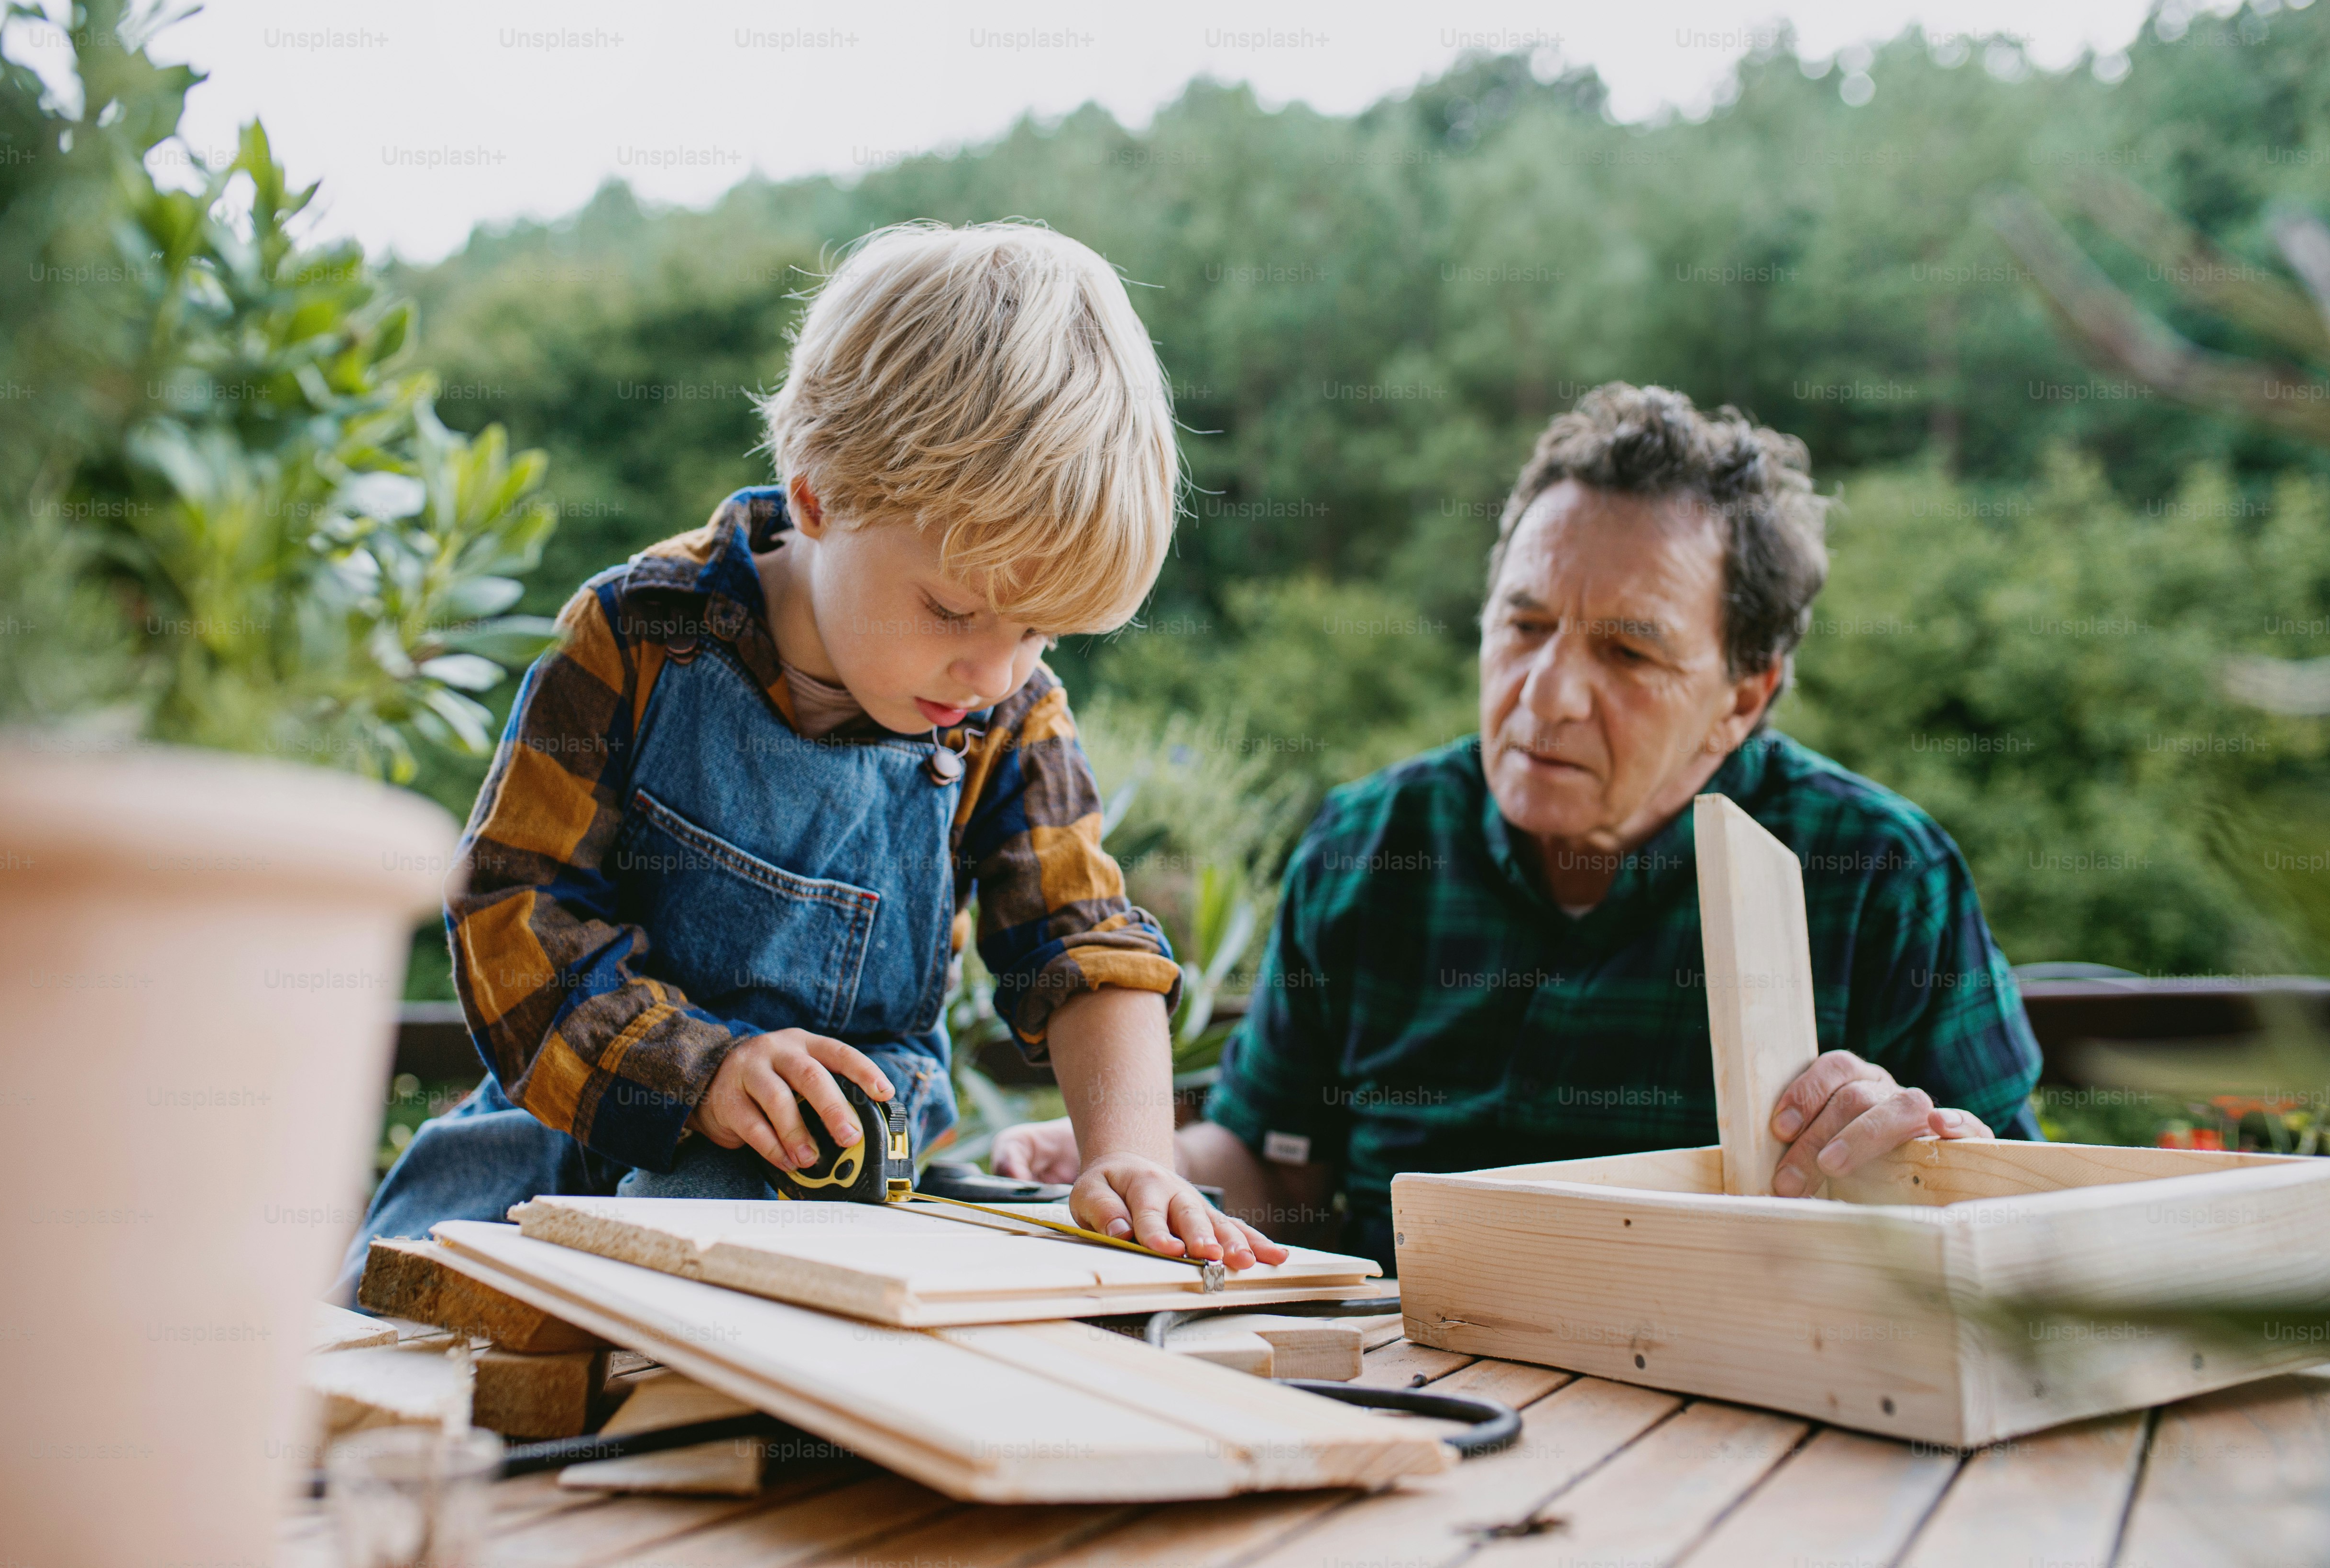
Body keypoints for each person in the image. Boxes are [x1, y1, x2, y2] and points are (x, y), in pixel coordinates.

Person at [337, 221, 1281, 1303]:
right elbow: (514, 903)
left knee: (703, 1341)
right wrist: (705, 1068)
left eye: (1038, 636)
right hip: (563, 1122)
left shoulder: (1007, 713)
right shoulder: (635, 634)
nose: (991, 669)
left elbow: (1082, 942)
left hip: (831, 1172)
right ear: (819, 495)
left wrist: (1131, 1155)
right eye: (954, 610)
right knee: (383, 1317)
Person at [994, 383, 2042, 1273]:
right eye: (1525, 625)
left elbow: (2032, 1221)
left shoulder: (1877, 874)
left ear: (1743, 694)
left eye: (1628, 654)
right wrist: (1132, 1164)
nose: (1548, 694)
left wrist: (1930, 1154)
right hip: (1411, 1378)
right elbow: (1285, 1169)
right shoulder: (1368, 847)